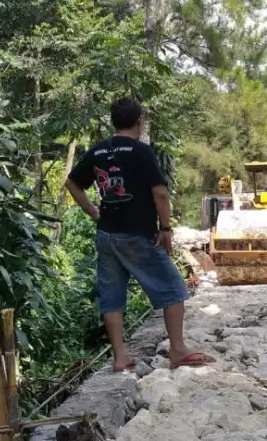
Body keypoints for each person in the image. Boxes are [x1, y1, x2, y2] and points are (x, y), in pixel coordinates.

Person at [65, 98, 216, 372]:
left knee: (112, 296)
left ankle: (120, 358)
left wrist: (93, 212)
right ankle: (178, 350)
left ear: (114, 121)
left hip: (107, 234)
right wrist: (166, 229)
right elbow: (159, 192)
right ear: (139, 122)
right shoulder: (141, 151)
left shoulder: (98, 151)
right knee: (173, 288)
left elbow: (72, 183)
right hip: (137, 234)